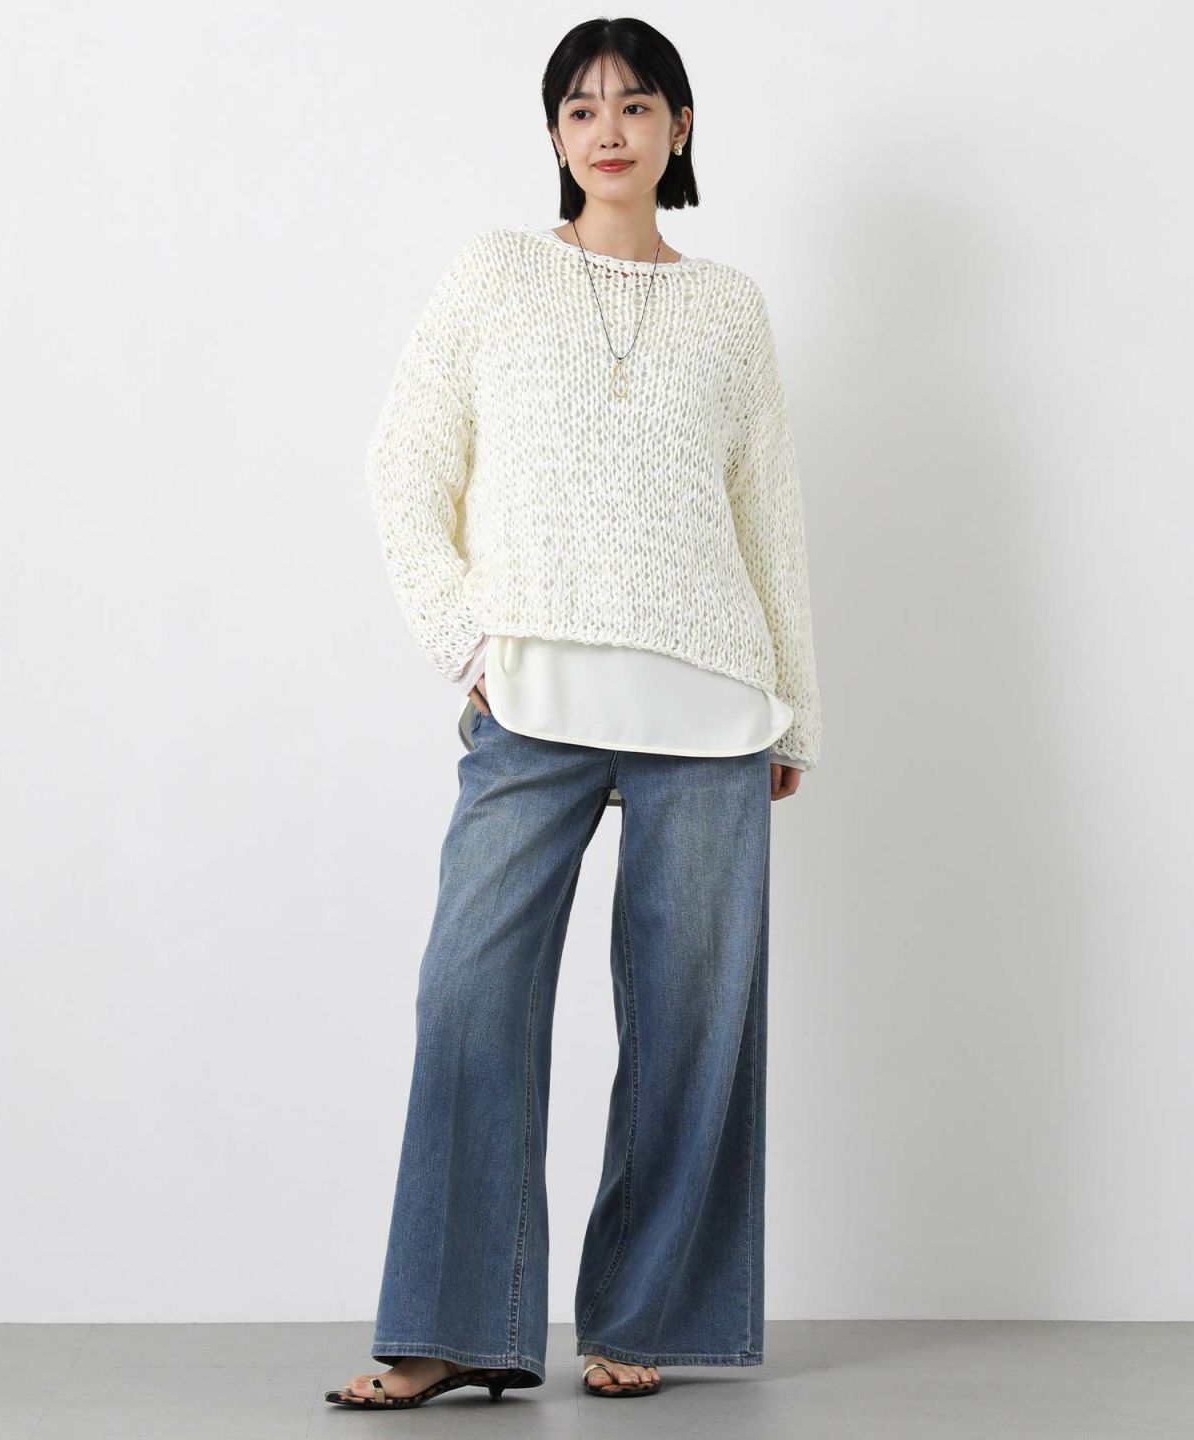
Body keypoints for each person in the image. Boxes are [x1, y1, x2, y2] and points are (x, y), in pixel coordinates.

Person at [326, 16, 822, 1412]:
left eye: (638, 104)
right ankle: (451, 1327)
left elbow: (770, 518)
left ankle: (643, 1314)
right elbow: (403, 467)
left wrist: (796, 715)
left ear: (679, 130)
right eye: (583, 107)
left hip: (710, 706)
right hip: (532, 694)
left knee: (690, 1028)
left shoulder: (730, 307)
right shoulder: (494, 274)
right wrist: (465, 639)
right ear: (554, 134)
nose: (610, 128)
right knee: (469, 995)